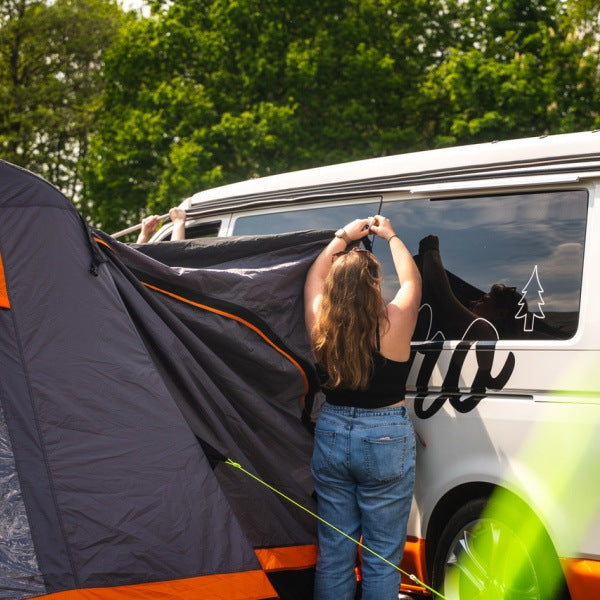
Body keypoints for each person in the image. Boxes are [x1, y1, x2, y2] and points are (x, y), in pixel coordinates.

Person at [304, 216, 422, 600]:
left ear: (335, 286)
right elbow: (412, 282)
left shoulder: (321, 320)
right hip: (386, 435)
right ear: (374, 285)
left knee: (335, 552)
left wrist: (342, 236)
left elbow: (313, 279)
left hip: (333, 430)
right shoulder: (394, 322)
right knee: (381, 556)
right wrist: (390, 235)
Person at [418, 234, 523, 340]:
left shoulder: (484, 332)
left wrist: (431, 250)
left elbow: (441, 295)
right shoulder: (494, 340)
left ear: (501, 314)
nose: (473, 302)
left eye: (484, 300)